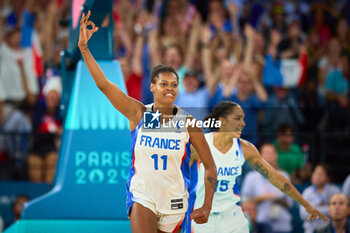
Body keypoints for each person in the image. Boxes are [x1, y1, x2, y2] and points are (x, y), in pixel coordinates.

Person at [78, 11, 217, 233]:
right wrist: (84, 49)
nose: (170, 88)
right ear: (152, 87)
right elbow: (104, 85)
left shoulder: (188, 123)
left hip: (175, 201)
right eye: (164, 84)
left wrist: (207, 204)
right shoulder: (140, 114)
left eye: (174, 84)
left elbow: (210, 166)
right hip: (143, 196)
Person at [190, 101, 328, 233]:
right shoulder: (200, 144)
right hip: (203, 216)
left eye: (243, 119)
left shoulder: (246, 148)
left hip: (232, 216)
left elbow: (276, 178)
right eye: (238, 118)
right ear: (222, 121)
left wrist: (306, 205)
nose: (243, 123)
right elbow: (178, 174)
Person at [242, 143, 293, 233]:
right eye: (266, 153)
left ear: (276, 156)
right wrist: (262, 198)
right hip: (260, 223)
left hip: (282, 224)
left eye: (271, 153)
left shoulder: (284, 176)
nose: (268, 156)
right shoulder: (251, 177)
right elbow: (245, 202)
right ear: (260, 155)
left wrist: (278, 200)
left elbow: (290, 202)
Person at [300, 164, 341, 233]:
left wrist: (312, 209)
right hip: (311, 230)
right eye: (315, 173)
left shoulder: (334, 190)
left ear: (328, 177)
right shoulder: (307, 192)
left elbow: (337, 210)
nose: (317, 176)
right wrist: (327, 209)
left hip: (329, 230)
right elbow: (303, 214)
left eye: (320, 174)